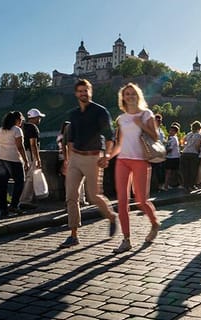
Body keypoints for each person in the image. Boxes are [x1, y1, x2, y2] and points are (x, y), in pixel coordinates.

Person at [59, 79, 118, 249]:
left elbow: (110, 136)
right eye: (80, 91)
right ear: (76, 94)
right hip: (76, 158)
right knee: (71, 196)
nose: (83, 94)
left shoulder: (100, 111)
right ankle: (73, 235)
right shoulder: (74, 114)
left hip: (94, 158)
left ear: (90, 92)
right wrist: (68, 160)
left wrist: (107, 155)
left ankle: (111, 216)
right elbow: (70, 140)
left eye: (86, 90)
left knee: (93, 196)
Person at [105, 83, 161, 253]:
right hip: (122, 161)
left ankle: (154, 223)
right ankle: (126, 239)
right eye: (127, 94)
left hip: (140, 160)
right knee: (122, 201)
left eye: (133, 93)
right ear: (123, 97)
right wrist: (108, 156)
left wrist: (141, 124)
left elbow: (155, 136)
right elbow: (119, 144)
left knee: (141, 200)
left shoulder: (146, 114)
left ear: (138, 96)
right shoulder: (121, 119)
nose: (130, 96)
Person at [0, 111, 29, 217]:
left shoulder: (0, 129)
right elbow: (20, 146)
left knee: (3, 184)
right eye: (21, 119)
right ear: (16, 120)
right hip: (14, 159)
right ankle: (14, 205)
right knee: (20, 182)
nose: (21, 122)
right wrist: (26, 160)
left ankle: (3, 209)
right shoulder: (17, 130)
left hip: (1, 158)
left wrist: (2, 147)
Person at [19, 108, 45, 210]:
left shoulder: (23, 126)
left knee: (25, 177)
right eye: (39, 117)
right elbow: (33, 145)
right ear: (34, 118)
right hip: (30, 154)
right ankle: (25, 200)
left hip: (22, 154)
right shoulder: (33, 127)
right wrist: (38, 159)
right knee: (30, 177)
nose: (40, 119)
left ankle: (23, 199)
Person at [57, 121, 87, 205]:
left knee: (69, 180)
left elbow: (63, 146)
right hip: (72, 158)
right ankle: (80, 199)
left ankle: (71, 200)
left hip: (64, 158)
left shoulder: (60, 136)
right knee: (78, 180)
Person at [180, 121, 201, 191]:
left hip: (185, 153)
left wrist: (185, 146)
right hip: (193, 153)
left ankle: (185, 185)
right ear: (199, 128)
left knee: (185, 171)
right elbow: (197, 145)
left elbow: (182, 141)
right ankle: (191, 185)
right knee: (193, 171)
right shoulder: (198, 135)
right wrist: (199, 150)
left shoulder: (188, 134)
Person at [162, 123, 181, 191]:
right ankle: (172, 184)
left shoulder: (173, 138)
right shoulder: (170, 138)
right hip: (171, 157)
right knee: (171, 172)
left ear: (175, 132)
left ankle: (166, 186)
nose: (170, 132)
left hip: (173, 157)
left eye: (172, 131)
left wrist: (163, 154)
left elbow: (170, 149)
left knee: (170, 172)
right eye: (170, 130)